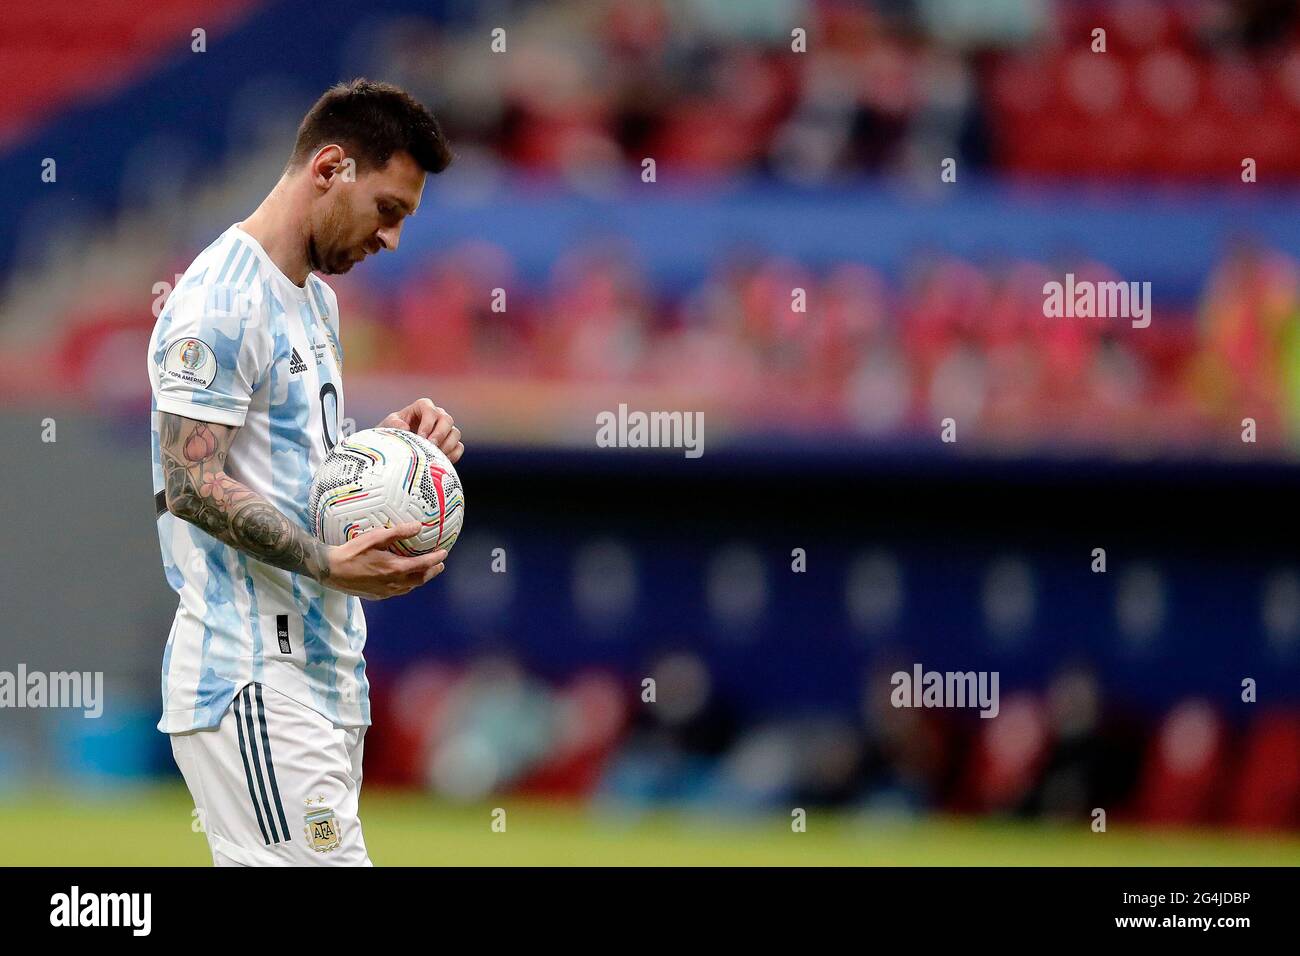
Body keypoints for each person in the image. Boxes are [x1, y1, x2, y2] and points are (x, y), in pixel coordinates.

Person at [146, 79, 461, 865]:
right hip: (251, 669)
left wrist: (385, 457)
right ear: (330, 167)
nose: (392, 240)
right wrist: (325, 560)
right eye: (389, 209)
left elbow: (290, 465)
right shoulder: (221, 299)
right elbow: (191, 482)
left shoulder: (312, 300)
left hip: (321, 671)